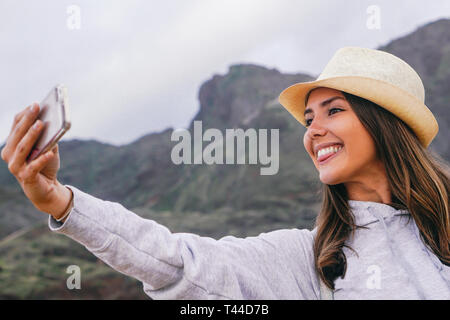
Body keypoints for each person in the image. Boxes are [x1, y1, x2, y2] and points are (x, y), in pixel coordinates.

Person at [1, 47, 449, 300]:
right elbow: (177, 261)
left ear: (387, 123)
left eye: (334, 110)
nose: (315, 131)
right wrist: (60, 201)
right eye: (310, 119)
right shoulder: (314, 261)